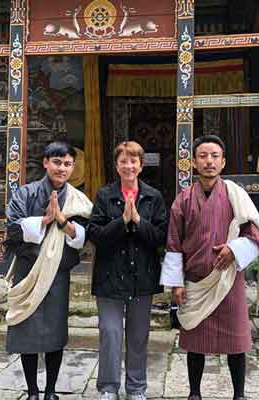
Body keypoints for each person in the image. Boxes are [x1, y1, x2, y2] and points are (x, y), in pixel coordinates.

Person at [160, 135, 259, 400]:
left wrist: (234, 249)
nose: (209, 161)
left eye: (214, 156)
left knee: (236, 343)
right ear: (194, 162)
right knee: (196, 342)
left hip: (228, 280)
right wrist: (176, 283)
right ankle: (194, 393)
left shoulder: (235, 196)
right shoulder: (183, 200)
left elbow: (255, 235)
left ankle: (238, 395)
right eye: (203, 156)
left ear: (223, 161)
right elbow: (173, 243)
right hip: (196, 281)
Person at [4, 142, 93, 400]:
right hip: (28, 269)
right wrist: (44, 220)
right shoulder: (25, 194)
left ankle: (51, 391)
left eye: (67, 164)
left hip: (57, 273)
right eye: (57, 162)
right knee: (26, 328)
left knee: (55, 331)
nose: (61, 168)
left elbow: (83, 238)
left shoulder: (78, 199)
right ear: (45, 163)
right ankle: (32, 391)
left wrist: (62, 221)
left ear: (73, 167)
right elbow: (12, 229)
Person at [87, 141, 168, 400]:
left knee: (138, 335)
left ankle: (136, 388)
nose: (129, 166)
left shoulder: (153, 197)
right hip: (110, 275)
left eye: (134, 161)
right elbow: (95, 235)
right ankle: (108, 387)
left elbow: (160, 236)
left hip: (141, 275)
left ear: (141, 166)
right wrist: (121, 222)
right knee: (110, 333)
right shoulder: (104, 195)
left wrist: (137, 221)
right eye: (124, 161)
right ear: (116, 165)